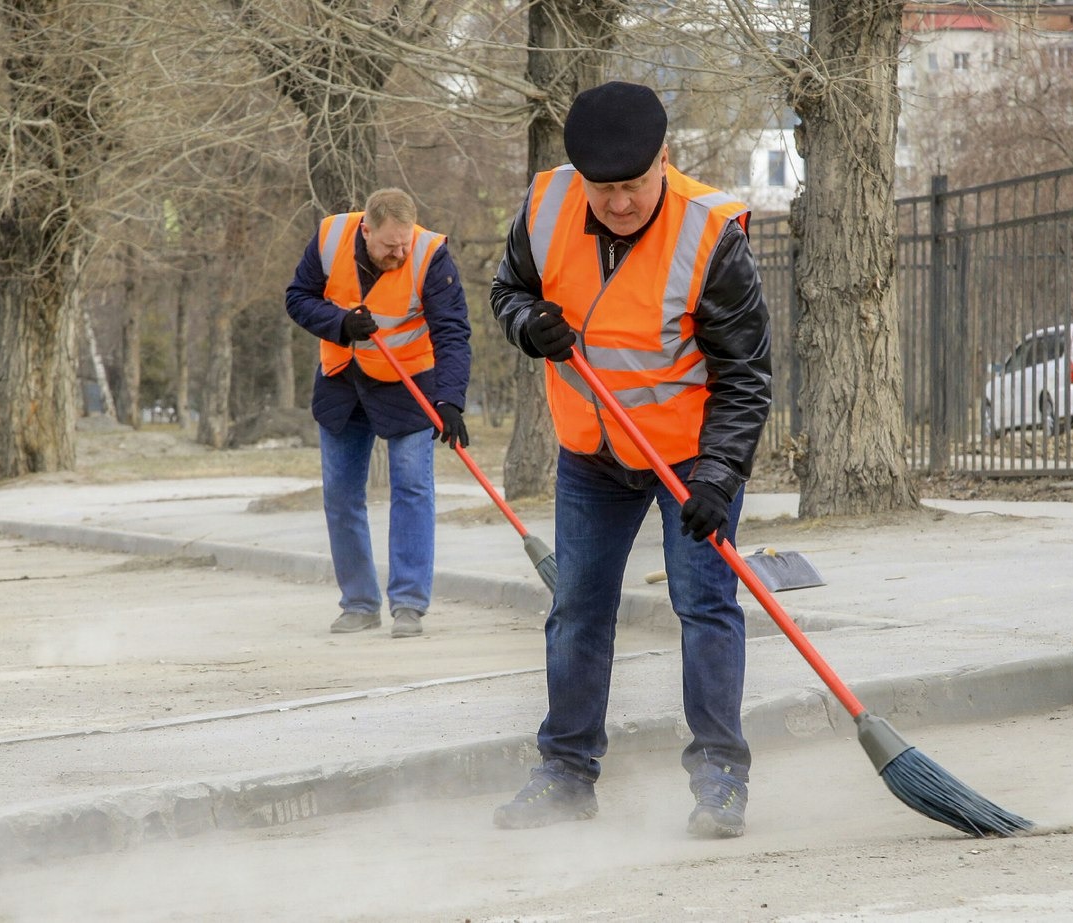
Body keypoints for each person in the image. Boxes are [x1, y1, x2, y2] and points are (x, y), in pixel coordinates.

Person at [488, 82, 771, 837]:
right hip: (592, 454)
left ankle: (720, 778)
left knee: (705, 606)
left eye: (634, 186)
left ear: (665, 161)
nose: (619, 203)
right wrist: (528, 324)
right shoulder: (545, 206)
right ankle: (566, 773)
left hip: (689, 461)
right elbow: (507, 288)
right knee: (577, 609)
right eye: (604, 189)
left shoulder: (711, 236)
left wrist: (719, 474)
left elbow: (745, 376)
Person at [286, 187, 472, 639]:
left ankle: (408, 603)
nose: (400, 251)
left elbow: (452, 332)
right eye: (390, 245)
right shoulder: (330, 236)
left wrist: (450, 400)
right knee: (342, 495)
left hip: (408, 385)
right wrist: (341, 324)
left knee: (411, 488)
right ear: (366, 229)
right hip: (342, 382)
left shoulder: (430, 255)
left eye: (405, 242)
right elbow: (298, 297)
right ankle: (359, 603)